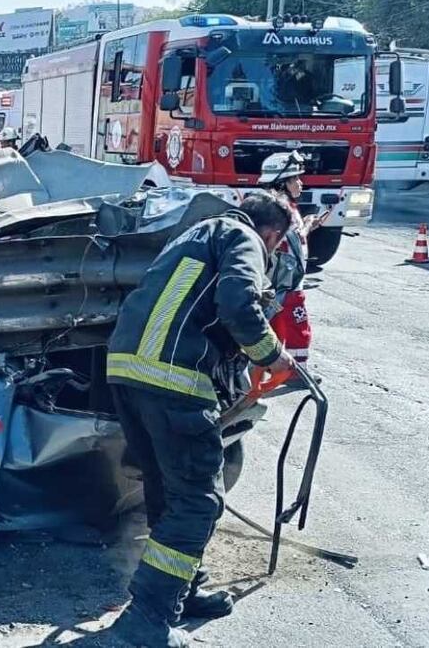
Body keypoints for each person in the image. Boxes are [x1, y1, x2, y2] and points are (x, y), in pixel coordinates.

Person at [105, 192, 297, 647]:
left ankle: (183, 590)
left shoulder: (195, 234)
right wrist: (273, 356)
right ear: (273, 236)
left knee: (168, 492)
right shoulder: (246, 238)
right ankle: (147, 618)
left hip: (126, 370)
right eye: (277, 248)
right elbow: (239, 302)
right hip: (172, 377)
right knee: (197, 499)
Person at [259, 151, 318, 371]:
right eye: (295, 179)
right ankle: (296, 372)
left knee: (272, 324)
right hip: (288, 285)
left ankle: (267, 367)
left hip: (277, 284)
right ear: (281, 182)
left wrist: (309, 225)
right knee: (297, 326)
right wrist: (307, 225)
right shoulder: (282, 210)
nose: (300, 183)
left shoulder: (275, 206)